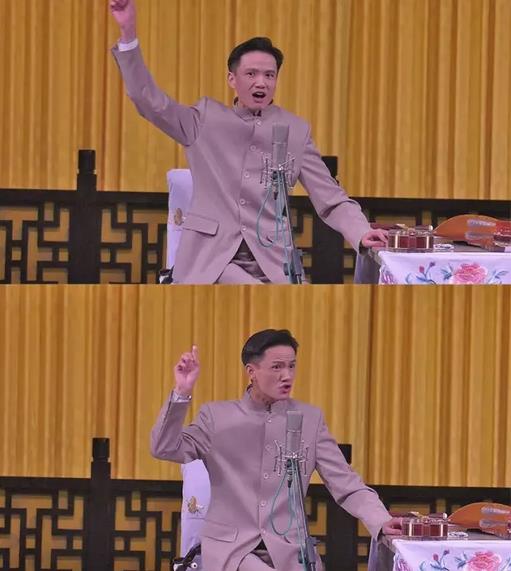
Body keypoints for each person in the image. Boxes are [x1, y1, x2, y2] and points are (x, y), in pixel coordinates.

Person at [109, 0, 387, 284]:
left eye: (269, 75)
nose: (261, 83)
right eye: (251, 74)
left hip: (273, 261)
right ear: (232, 79)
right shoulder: (204, 119)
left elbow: (331, 198)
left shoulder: (295, 130)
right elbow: (148, 101)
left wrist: (362, 232)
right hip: (211, 261)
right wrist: (128, 34)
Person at [151, 329, 401, 570]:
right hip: (231, 552)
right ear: (252, 372)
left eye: (292, 366)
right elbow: (164, 447)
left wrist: (381, 520)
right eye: (277, 367)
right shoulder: (216, 417)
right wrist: (182, 392)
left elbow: (345, 483)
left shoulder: (310, 419)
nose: (287, 375)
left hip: (291, 551)